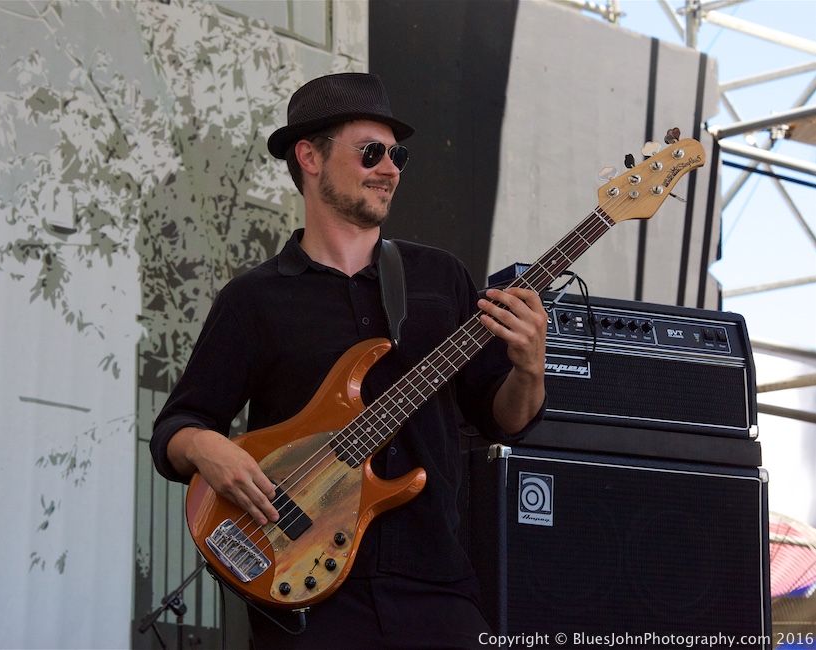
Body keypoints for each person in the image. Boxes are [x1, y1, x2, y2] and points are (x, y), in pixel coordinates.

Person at [151, 72, 548, 649]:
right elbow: (175, 428)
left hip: (436, 583)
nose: (390, 169)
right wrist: (209, 447)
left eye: (397, 155)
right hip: (305, 586)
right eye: (371, 152)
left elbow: (503, 416)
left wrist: (529, 369)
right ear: (309, 156)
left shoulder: (440, 279)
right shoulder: (255, 299)